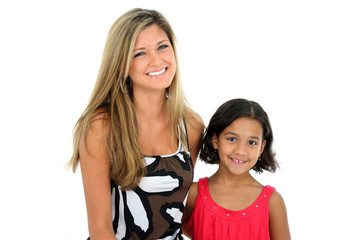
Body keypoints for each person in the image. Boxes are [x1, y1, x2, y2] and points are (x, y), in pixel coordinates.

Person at [68, 8, 204, 240]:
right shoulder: (101, 126)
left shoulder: (191, 126)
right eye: (140, 53)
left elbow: (178, 212)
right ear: (121, 65)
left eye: (162, 46)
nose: (156, 60)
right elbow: (100, 229)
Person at [182, 98, 291, 240]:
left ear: (261, 148)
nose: (241, 151)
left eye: (251, 142)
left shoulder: (272, 202)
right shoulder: (193, 194)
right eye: (232, 139)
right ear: (215, 140)